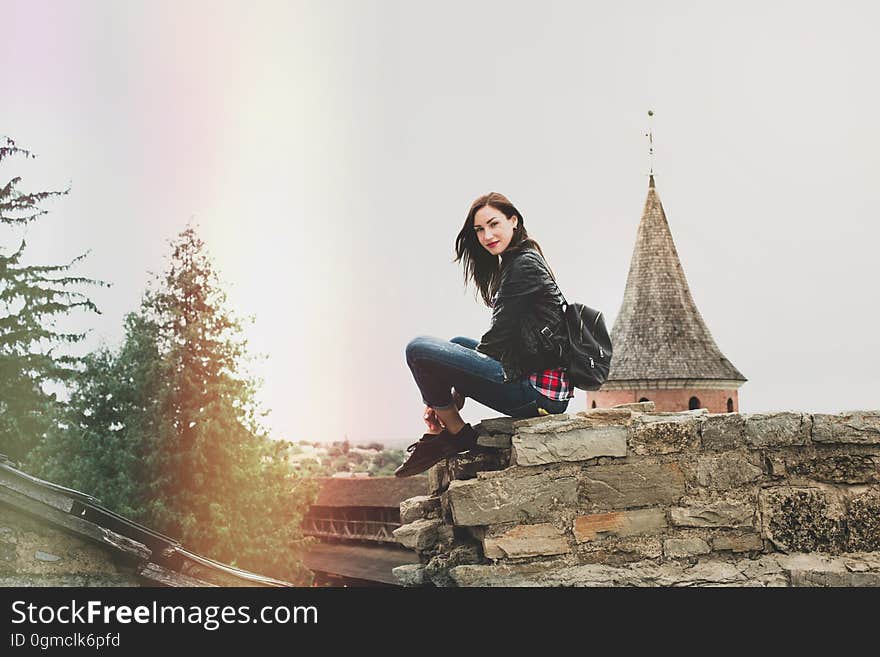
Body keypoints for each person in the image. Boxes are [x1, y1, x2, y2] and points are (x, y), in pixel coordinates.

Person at [395, 192, 572, 477]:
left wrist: (448, 399)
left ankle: (455, 432)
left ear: (513, 220)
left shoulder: (523, 264)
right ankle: (446, 420)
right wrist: (451, 390)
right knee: (457, 345)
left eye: (494, 224)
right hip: (539, 382)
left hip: (537, 393)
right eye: (479, 230)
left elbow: (496, 342)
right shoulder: (522, 258)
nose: (487, 235)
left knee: (418, 349)